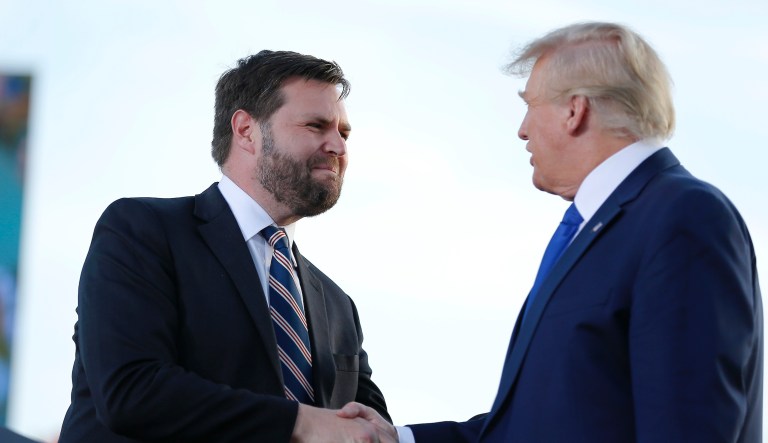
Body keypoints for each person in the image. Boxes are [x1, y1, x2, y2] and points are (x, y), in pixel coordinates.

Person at [341, 21, 763, 442]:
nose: (522, 129)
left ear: (574, 110)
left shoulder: (682, 216)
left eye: (530, 104)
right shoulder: (601, 227)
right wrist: (399, 439)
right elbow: (537, 422)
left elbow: (687, 425)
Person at [59, 50, 392, 442]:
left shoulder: (338, 307)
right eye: (316, 125)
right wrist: (301, 422)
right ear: (246, 130)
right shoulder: (142, 232)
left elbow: (374, 432)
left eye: (344, 133)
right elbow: (131, 390)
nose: (338, 145)